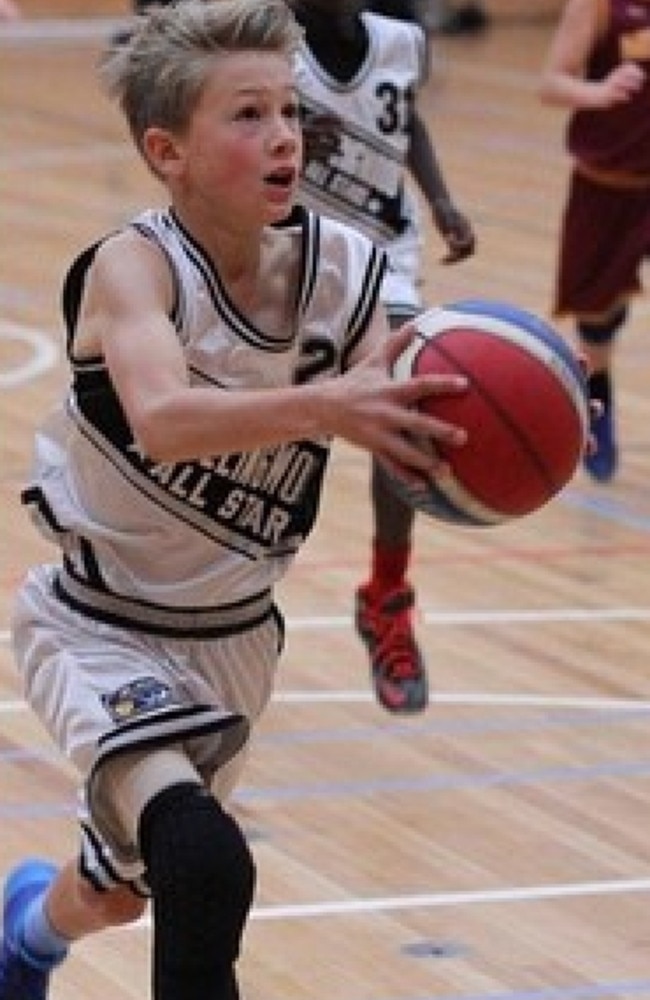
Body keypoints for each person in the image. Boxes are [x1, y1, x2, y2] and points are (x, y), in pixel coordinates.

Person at [0, 2, 470, 998]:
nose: (285, 136)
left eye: (291, 111)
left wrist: (463, 426)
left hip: (235, 641)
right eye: (248, 114)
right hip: (96, 626)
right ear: (167, 151)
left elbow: (409, 392)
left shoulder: (343, 271)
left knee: (122, 889)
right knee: (208, 865)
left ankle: (26, 936)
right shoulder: (134, 269)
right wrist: (330, 402)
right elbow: (165, 417)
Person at [290, 0, 476, 714]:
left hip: (382, 259)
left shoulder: (401, 41)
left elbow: (407, 120)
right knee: (266, 439)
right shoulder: (267, 47)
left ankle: (386, 595)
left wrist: (441, 200)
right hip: (285, 257)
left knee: (407, 396)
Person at [539, 0, 650, 481]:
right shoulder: (598, 6)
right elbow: (551, 84)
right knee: (598, 314)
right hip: (607, 183)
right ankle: (598, 391)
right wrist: (599, 91)